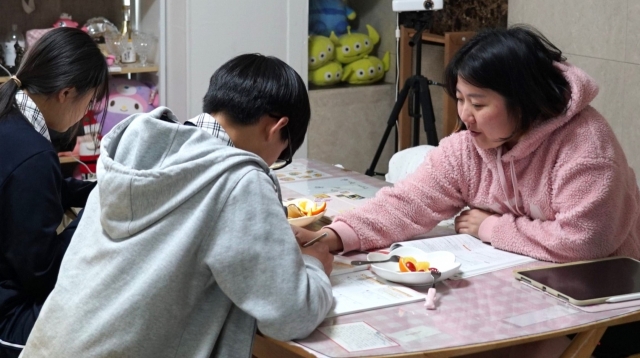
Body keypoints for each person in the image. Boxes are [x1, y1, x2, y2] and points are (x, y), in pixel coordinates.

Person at [294, 25, 640, 357]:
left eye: (478, 104)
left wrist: (490, 227)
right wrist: (330, 236)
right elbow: (405, 205)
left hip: (608, 303)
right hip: (524, 289)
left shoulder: (586, 145)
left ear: (523, 101)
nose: (464, 116)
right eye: (460, 99)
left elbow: (584, 241)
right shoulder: (468, 148)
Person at [21, 54, 334, 358]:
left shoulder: (138, 144)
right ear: (274, 127)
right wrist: (314, 265)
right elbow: (291, 315)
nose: (273, 162)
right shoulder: (240, 179)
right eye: (282, 154)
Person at [0, 27, 109, 357]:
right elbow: (42, 274)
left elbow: (35, 193)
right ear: (65, 93)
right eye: (89, 102)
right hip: (8, 319)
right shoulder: (34, 156)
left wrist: (94, 190)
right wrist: (96, 212)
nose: (87, 112)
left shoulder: (10, 120)